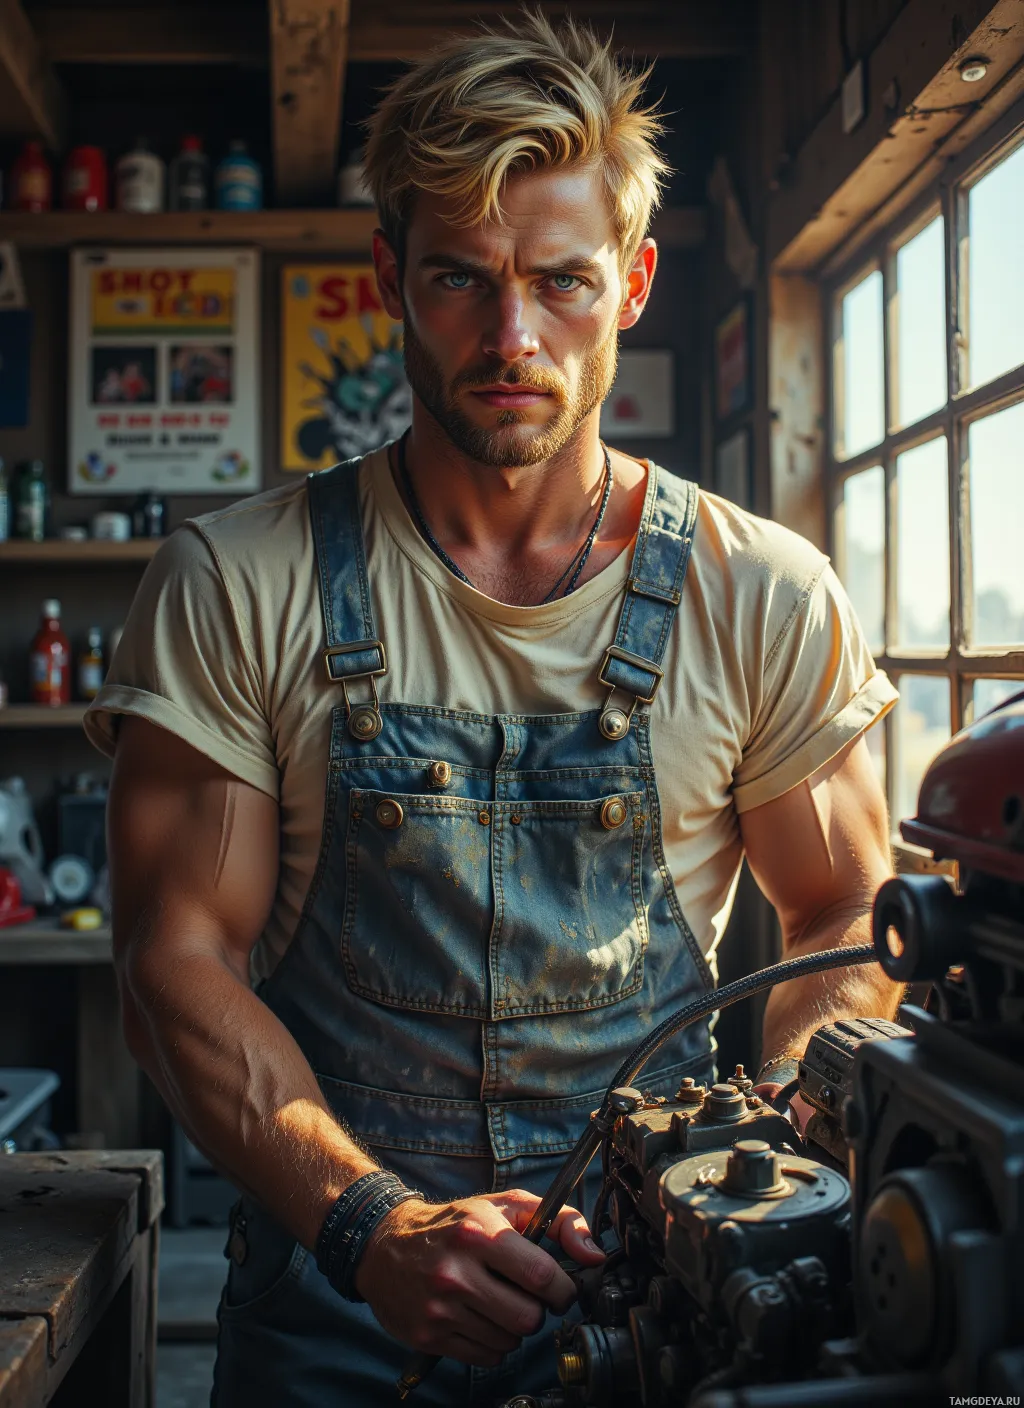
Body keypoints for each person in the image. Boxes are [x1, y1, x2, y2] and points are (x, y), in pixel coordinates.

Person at [85, 12, 901, 1406]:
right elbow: (176, 962)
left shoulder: (761, 592)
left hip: (666, 1309)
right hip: (336, 1317)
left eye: (562, 283)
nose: (511, 337)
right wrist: (371, 1225)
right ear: (391, 279)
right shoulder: (237, 582)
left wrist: (764, 1162)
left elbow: (840, 914)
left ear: (634, 283)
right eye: (461, 280)